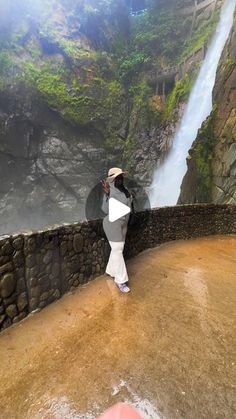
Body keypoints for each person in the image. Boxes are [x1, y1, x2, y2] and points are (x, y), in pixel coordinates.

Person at [101, 167, 132, 293]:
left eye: (121, 177)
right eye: (117, 177)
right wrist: (107, 195)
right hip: (112, 224)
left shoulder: (125, 191)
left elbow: (128, 208)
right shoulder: (109, 190)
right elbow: (105, 210)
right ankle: (121, 281)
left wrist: (131, 198)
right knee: (118, 250)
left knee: (117, 250)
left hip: (123, 224)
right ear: (112, 179)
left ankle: (110, 270)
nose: (120, 179)